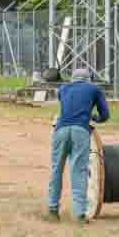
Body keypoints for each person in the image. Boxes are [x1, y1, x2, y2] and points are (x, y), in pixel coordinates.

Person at [48, 68, 110, 223]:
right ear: (88, 79)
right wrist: (95, 117)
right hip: (80, 130)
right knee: (78, 170)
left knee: (57, 169)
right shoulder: (94, 89)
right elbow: (105, 115)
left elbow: (68, 107)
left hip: (60, 130)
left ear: (73, 79)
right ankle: (80, 214)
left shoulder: (63, 89)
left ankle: (52, 210)